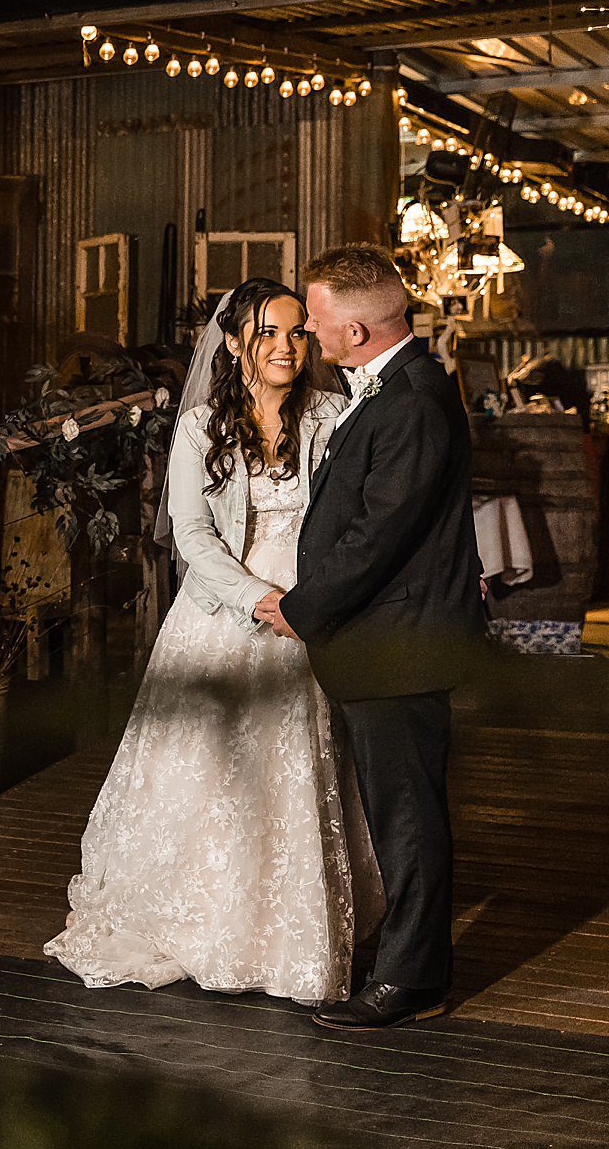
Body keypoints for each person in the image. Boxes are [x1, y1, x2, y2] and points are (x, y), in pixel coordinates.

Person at [45, 278, 381, 1006]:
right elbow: (192, 535)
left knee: (300, 766)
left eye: (297, 331)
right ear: (233, 343)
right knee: (214, 772)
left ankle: (293, 932)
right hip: (226, 611)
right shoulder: (202, 426)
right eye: (267, 333)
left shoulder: (332, 414)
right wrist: (257, 598)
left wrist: (316, 603)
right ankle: (201, 918)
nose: (286, 347)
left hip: (313, 611)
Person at [257, 243, 488, 1031]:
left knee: (408, 817)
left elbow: (378, 534)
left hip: (399, 642)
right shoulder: (395, 386)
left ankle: (412, 981)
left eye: (318, 322)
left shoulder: (414, 399)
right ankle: (404, 959)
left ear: (355, 331)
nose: (310, 335)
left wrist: (303, 607)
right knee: (396, 811)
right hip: (384, 637)